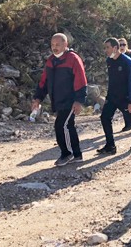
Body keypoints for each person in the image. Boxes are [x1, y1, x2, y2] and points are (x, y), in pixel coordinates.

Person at [32, 33, 87, 166]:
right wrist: (37, 99)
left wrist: (79, 101)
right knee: (68, 126)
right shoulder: (51, 60)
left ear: (65, 44)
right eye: (52, 45)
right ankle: (77, 154)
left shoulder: (73, 59)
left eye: (57, 45)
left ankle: (67, 154)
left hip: (70, 101)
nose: (54, 47)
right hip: (57, 101)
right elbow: (44, 82)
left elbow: (81, 80)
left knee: (60, 125)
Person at [97, 38, 131, 154]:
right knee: (105, 118)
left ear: (115, 48)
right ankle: (110, 145)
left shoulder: (127, 61)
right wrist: (108, 96)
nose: (106, 50)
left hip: (125, 97)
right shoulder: (109, 61)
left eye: (107, 47)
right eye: (105, 47)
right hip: (112, 97)